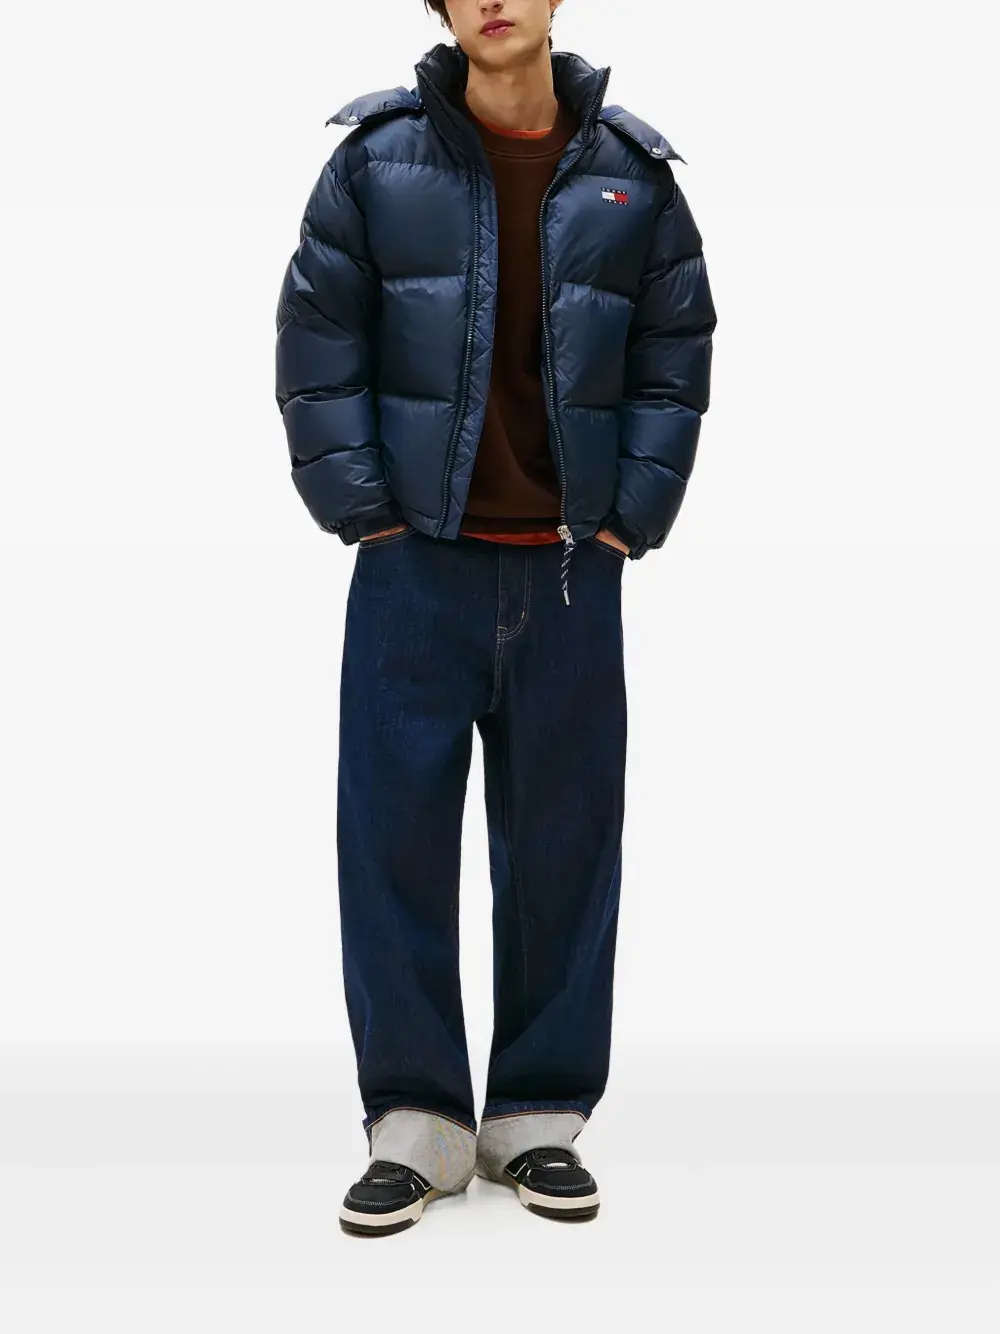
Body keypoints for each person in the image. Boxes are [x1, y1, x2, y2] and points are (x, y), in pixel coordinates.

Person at [275, 0, 715, 1236]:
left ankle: (535, 1118)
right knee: (393, 845)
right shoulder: (374, 163)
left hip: (571, 573)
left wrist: (629, 517)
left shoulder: (632, 174)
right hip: (414, 568)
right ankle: (416, 1123)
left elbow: (676, 348)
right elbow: (316, 338)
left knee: (564, 848)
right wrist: (366, 513)